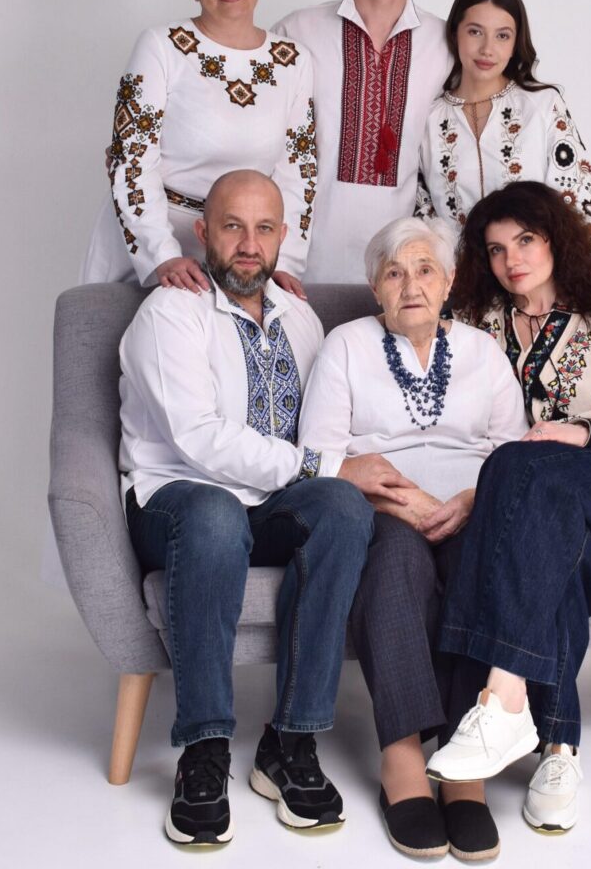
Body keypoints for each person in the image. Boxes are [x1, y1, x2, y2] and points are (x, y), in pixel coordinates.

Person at [119, 170, 413, 845]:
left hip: (270, 502)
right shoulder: (169, 313)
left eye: (263, 229)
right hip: (176, 499)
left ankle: (290, 741)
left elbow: (327, 422)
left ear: (283, 236)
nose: (248, 245)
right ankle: (204, 750)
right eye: (232, 227)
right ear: (203, 232)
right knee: (216, 515)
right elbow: (198, 441)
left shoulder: (298, 314)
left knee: (343, 508)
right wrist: (325, 466)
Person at [425, 181, 591, 833]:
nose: (511, 259)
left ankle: (502, 701)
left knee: (521, 467)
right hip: (543, 507)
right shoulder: (478, 327)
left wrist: (580, 431)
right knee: (551, 548)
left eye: (525, 240)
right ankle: (558, 751)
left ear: (554, 242)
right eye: (495, 249)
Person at [299, 217, 529, 860]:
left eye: (425, 269)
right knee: (396, 563)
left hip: (471, 508)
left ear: (449, 281)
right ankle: (401, 756)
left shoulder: (483, 352)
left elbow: (513, 456)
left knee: (478, 567)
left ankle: (462, 765)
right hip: (382, 509)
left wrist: (470, 501)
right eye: (394, 273)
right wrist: (401, 501)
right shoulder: (346, 345)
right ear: (375, 288)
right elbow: (320, 453)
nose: (411, 285)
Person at [83, 0, 316, 298]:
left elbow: (299, 170)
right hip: (155, 240)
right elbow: (131, 159)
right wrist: (162, 255)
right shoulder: (161, 46)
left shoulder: (293, 59)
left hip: (242, 249)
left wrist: (284, 261)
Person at [273, 0, 450, 284]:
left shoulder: (446, 44)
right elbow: (261, 143)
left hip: (405, 271)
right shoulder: (296, 32)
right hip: (298, 261)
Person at [418, 0, 591, 269]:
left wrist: (587, 283)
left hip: (537, 284)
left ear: (515, 43)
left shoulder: (542, 106)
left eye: (502, 36)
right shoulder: (427, 119)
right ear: (454, 34)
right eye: (475, 32)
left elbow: (579, 200)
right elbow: (423, 217)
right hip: (461, 285)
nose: (487, 49)